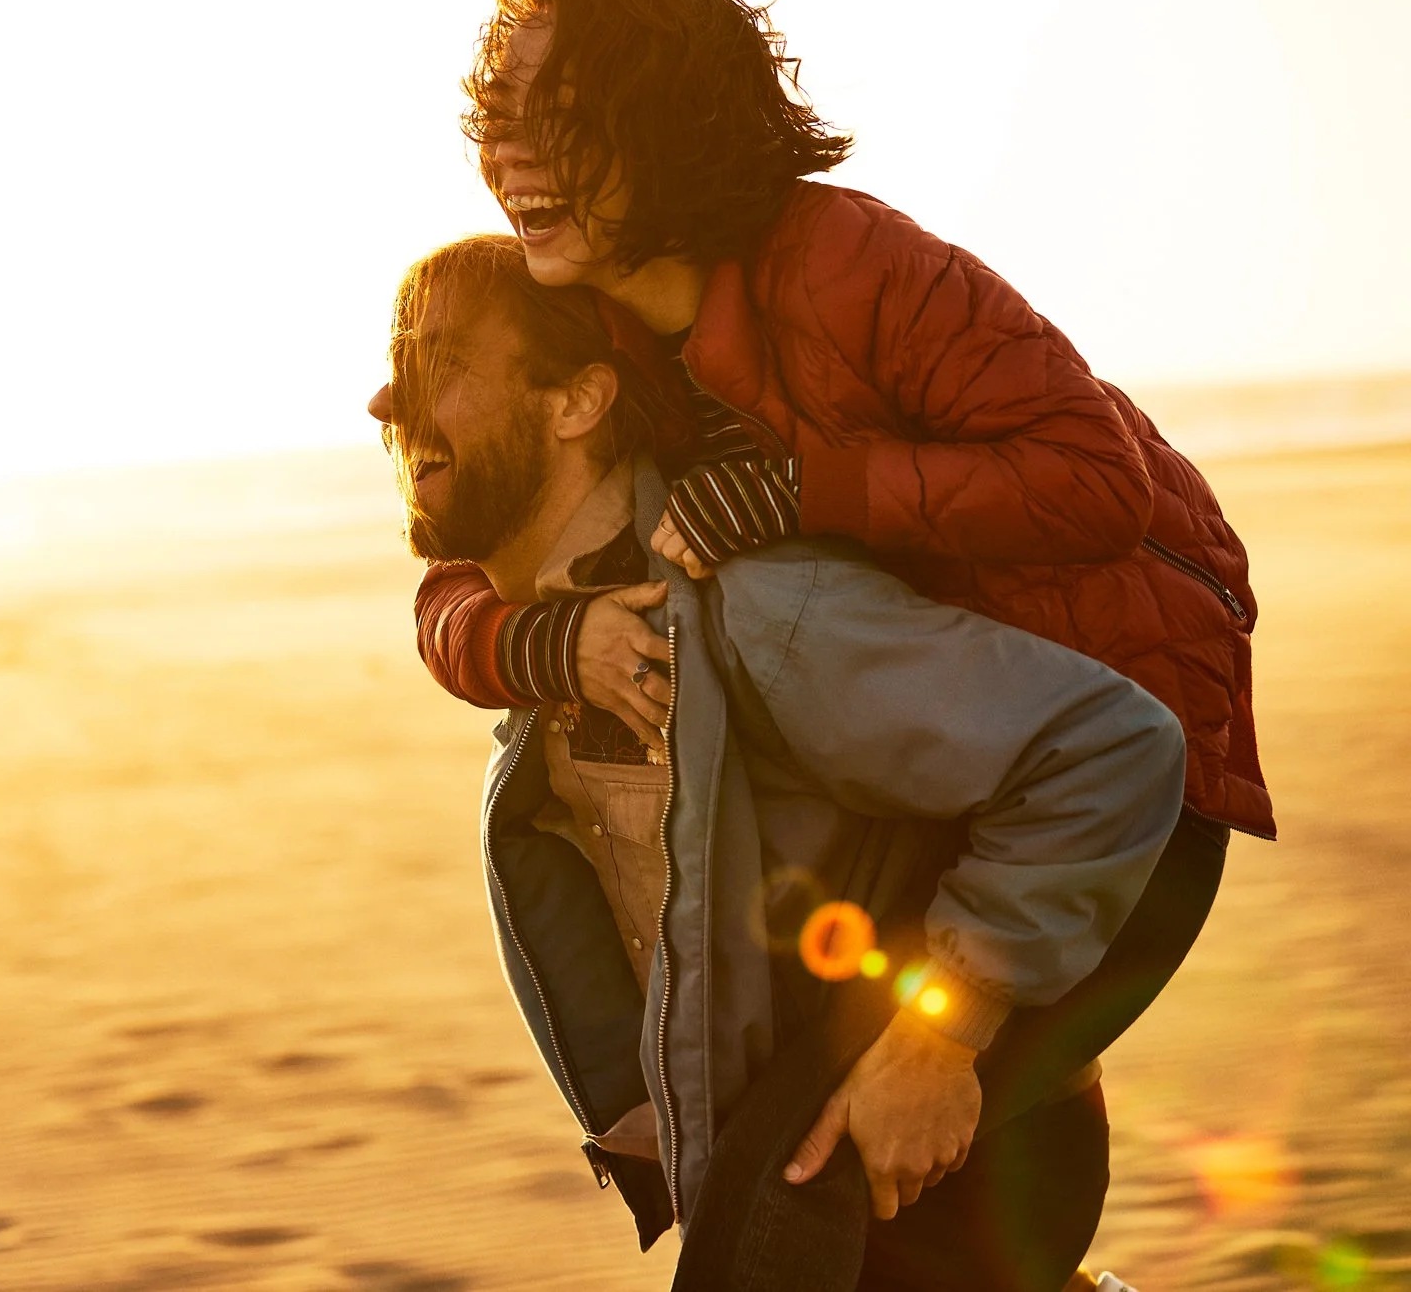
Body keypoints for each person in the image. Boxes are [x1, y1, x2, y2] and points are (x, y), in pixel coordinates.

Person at [379, 232, 1215, 1291]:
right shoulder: (552, 643)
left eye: (439, 363)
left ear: (575, 401)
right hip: (813, 1165)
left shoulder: (757, 608)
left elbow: (1109, 746)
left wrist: (944, 1028)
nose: (384, 401)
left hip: (948, 1166)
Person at [381, 0, 1274, 854]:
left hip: (1109, 741)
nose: (511, 156)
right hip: (899, 750)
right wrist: (546, 642)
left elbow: (1098, 484)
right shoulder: (578, 320)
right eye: (502, 119)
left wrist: (799, 494)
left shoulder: (851, 262)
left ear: (666, 131)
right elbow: (474, 542)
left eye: (563, 119)